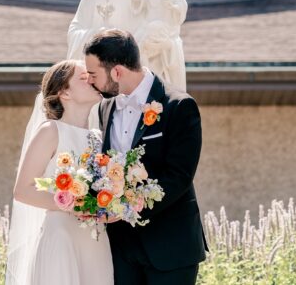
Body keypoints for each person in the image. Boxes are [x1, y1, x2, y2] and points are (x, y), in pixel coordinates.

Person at [84, 29, 207, 284]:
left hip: (170, 247)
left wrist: (129, 208)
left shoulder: (179, 106)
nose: (90, 82)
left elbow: (179, 176)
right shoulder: (105, 108)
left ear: (117, 72)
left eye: (94, 75)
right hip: (120, 249)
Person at [7, 60, 114, 285]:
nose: (92, 80)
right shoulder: (50, 131)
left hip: (95, 240)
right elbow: (23, 190)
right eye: (84, 78)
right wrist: (76, 205)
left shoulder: (99, 137)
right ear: (64, 92)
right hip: (61, 236)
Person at [132, 0, 188, 92]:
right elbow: (137, 5)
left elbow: (182, 9)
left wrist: (172, 7)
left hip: (166, 33)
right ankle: (147, 86)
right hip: (148, 32)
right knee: (138, 52)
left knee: (167, 73)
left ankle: (165, 91)